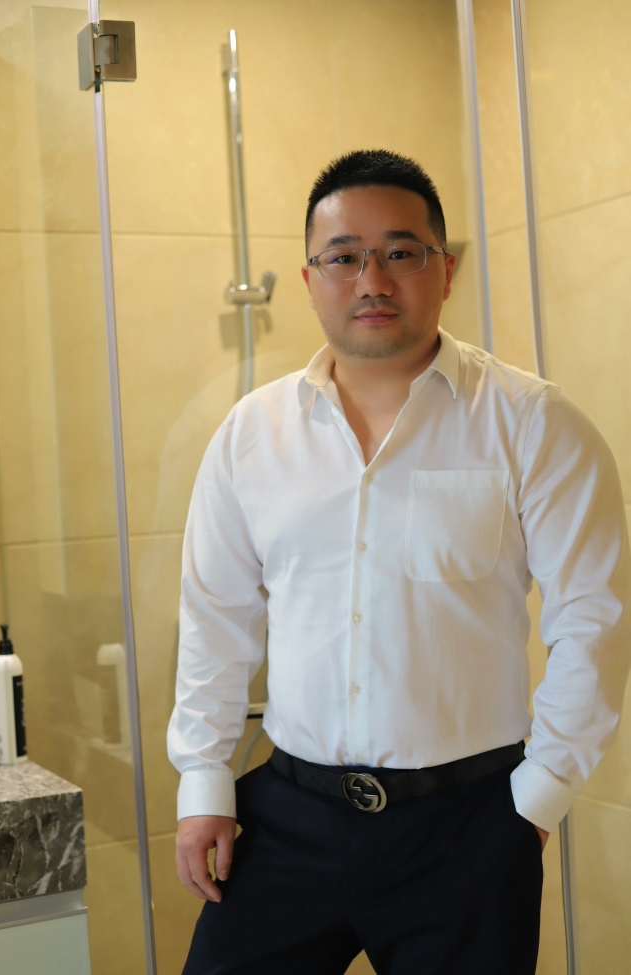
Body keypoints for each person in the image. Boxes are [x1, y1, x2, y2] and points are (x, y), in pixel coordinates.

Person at [168, 149, 631, 975]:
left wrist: (535, 802)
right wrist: (204, 782)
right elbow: (216, 622)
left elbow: (595, 620)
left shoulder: (533, 423)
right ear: (310, 278)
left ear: (445, 270)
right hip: (288, 817)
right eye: (343, 256)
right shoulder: (250, 435)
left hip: (468, 825)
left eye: (401, 252)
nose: (372, 279)